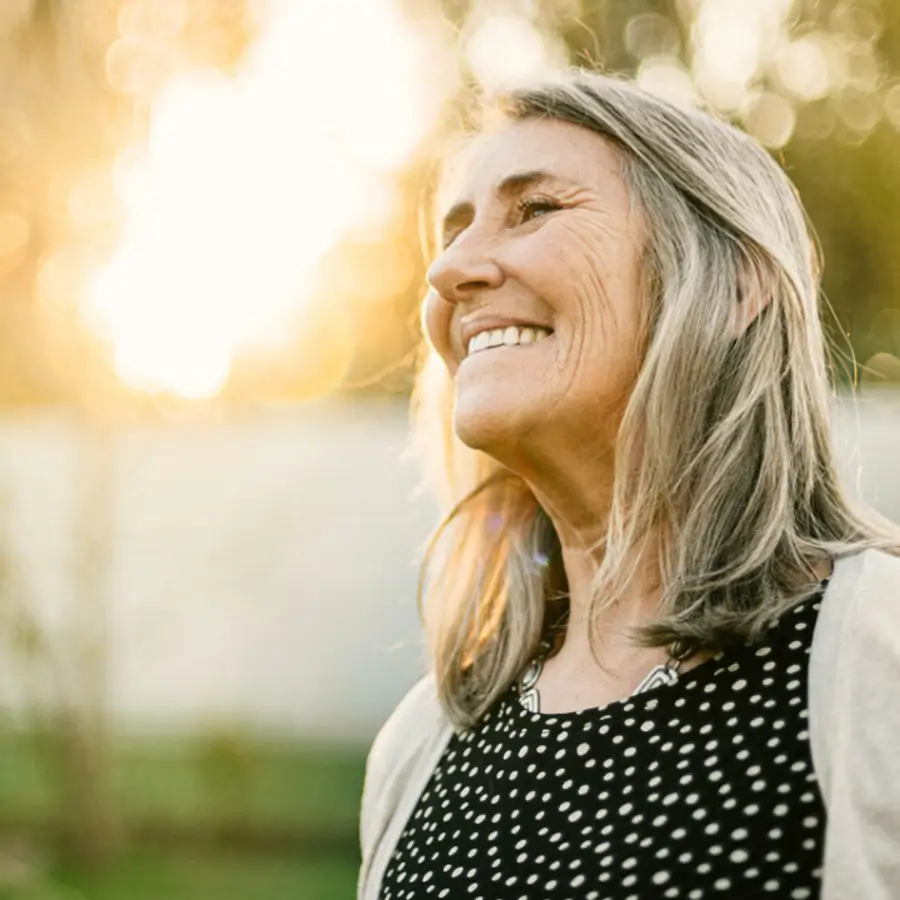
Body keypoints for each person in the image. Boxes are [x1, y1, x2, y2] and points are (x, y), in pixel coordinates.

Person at [357, 69, 900, 900]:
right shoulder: (421, 743)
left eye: (533, 208)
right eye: (454, 230)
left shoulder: (876, 659)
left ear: (734, 283)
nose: (449, 270)